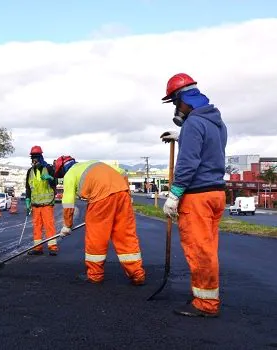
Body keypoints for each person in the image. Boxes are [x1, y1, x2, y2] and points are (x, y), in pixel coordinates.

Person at [160, 72, 228, 318]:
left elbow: (188, 164)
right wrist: (182, 137)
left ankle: (206, 304)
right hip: (216, 194)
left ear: (183, 99)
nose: (176, 108)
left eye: (176, 103)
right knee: (208, 248)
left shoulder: (193, 124)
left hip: (197, 196)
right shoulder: (217, 123)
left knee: (199, 250)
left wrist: (174, 195)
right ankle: (205, 295)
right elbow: (210, 148)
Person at [54, 156, 146, 285]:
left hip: (101, 199)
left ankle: (95, 275)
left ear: (63, 169)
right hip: (122, 195)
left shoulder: (70, 174)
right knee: (125, 235)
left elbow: (68, 202)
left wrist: (67, 225)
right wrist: (127, 194)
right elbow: (122, 172)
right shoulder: (92, 163)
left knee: (96, 236)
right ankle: (137, 274)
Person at [25, 145, 59, 256]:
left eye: (36, 156)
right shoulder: (30, 171)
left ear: (40, 157)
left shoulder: (48, 168)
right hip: (35, 205)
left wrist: (50, 178)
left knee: (49, 225)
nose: (34, 159)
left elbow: (55, 183)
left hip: (47, 203)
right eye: (32, 157)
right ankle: (38, 248)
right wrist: (27, 199)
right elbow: (28, 187)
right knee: (36, 226)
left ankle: (52, 247)